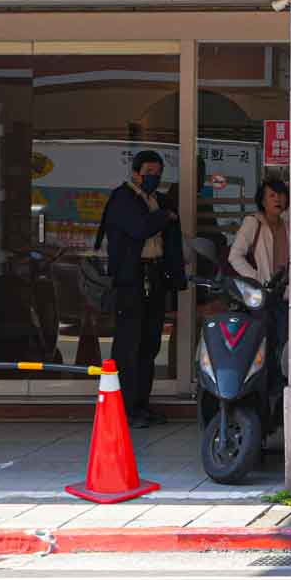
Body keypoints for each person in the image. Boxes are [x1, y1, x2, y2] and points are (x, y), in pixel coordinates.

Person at [98, 150, 186, 428]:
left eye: (158, 173)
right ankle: (124, 408)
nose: (154, 178)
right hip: (131, 280)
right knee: (128, 345)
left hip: (155, 275)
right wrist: (164, 216)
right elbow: (140, 228)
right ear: (135, 173)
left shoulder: (157, 200)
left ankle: (142, 405)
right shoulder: (122, 198)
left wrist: (176, 277)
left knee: (150, 344)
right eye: (149, 172)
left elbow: (172, 238)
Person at [229, 176, 290, 284]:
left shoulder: (289, 226)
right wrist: (256, 279)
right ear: (263, 202)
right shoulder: (253, 222)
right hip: (261, 294)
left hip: (286, 292)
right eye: (272, 195)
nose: (277, 199)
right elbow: (234, 256)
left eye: (281, 195)